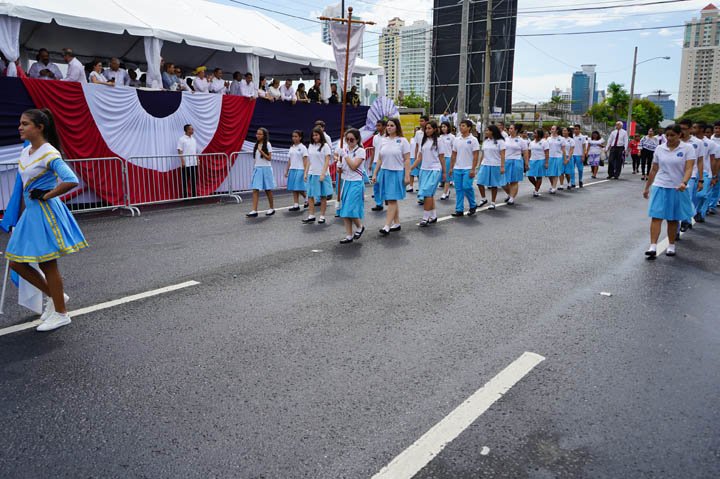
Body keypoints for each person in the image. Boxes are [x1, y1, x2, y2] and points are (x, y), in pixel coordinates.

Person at [3, 108, 88, 331]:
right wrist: (20, 215)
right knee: (16, 263)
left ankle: (61, 313)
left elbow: (70, 179)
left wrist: (48, 194)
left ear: (40, 127)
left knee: (47, 263)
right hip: (30, 214)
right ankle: (56, 297)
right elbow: (23, 187)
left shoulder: (49, 153)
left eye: (25, 124)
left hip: (45, 213)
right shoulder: (26, 152)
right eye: (20, 123)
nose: (20, 127)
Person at [642, 124, 695, 259]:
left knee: (672, 219)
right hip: (660, 185)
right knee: (656, 217)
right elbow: (654, 169)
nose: (669, 138)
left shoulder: (687, 148)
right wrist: (647, 187)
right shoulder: (660, 148)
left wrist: (684, 182)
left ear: (679, 135)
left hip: (677, 188)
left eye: (673, 135)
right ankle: (653, 246)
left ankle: (671, 245)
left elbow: (689, 168)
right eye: (667, 135)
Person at [373, 118, 411, 235]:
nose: (389, 127)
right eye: (388, 125)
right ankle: (396, 223)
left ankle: (387, 226)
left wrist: (407, 175)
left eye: (392, 125)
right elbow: (380, 159)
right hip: (385, 172)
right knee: (390, 199)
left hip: (397, 172)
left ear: (397, 127)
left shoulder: (403, 141)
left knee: (392, 199)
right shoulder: (383, 140)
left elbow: (407, 159)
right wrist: (375, 173)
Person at [410, 120, 446, 226]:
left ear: (435, 129)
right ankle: (433, 216)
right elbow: (419, 158)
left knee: (427, 193)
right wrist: (410, 168)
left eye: (429, 128)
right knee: (429, 194)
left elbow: (442, 158)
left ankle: (425, 218)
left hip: (435, 170)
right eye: (426, 128)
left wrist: (444, 172)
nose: (427, 130)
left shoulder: (439, 141)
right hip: (423, 170)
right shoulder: (424, 140)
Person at [336, 128, 367, 243]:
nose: (349, 141)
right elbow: (343, 169)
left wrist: (344, 155)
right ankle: (349, 235)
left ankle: (359, 226)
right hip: (345, 182)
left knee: (350, 208)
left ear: (357, 139)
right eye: (347, 139)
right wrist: (339, 167)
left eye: (352, 139)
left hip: (356, 182)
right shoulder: (345, 150)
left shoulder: (361, 151)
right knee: (344, 210)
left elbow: (354, 166)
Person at [302, 126, 333, 224]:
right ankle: (311, 215)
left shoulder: (325, 146)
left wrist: (323, 174)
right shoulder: (311, 146)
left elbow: (327, 161)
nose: (315, 137)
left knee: (323, 196)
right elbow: (309, 161)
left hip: (321, 174)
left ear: (321, 135)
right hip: (312, 173)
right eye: (313, 135)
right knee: (310, 195)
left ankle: (322, 216)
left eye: (317, 135)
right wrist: (306, 172)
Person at [449, 119, 480, 215]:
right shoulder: (456, 139)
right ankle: (459, 209)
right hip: (457, 168)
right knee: (459, 190)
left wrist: (473, 169)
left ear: (469, 127)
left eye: (463, 126)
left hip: (468, 168)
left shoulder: (473, 140)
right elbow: (453, 155)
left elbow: (476, 156)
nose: (461, 127)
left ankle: (473, 204)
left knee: (466, 187)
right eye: (460, 125)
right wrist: (451, 168)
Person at [678, 119, 704, 232]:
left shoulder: (698, 143)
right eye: (680, 129)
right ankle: (676, 230)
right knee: (676, 202)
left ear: (690, 129)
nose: (682, 131)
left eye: (684, 129)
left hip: (691, 175)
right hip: (676, 175)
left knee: (686, 198)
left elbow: (700, 161)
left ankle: (685, 220)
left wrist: (701, 179)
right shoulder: (675, 140)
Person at [246, 128, 276, 217]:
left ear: (264, 135)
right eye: (257, 134)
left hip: (266, 169)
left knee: (267, 189)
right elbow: (256, 158)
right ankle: (254, 210)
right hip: (257, 169)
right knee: (255, 189)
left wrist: (261, 151)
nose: (257, 135)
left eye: (260, 134)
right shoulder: (256, 145)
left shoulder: (268, 144)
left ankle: (271, 208)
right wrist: (254, 167)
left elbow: (269, 158)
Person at [477, 124, 506, 209]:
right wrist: (479, 164)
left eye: (487, 130)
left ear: (492, 131)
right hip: (485, 164)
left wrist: (502, 166)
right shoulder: (485, 142)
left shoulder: (500, 141)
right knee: (479, 182)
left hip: (495, 165)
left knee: (494, 185)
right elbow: (483, 154)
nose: (485, 132)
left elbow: (503, 155)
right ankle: (483, 198)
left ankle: (493, 202)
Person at [501, 123, 528, 204]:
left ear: (516, 130)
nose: (509, 130)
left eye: (511, 128)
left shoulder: (521, 141)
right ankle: (510, 194)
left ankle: (512, 198)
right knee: (503, 181)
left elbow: (525, 153)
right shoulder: (505, 139)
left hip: (517, 161)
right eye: (509, 128)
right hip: (506, 161)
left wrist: (526, 163)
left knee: (514, 181)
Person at [285, 130, 308, 211]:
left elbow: (305, 161)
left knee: (298, 187)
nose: (294, 138)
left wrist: (305, 172)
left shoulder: (303, 147)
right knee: (294, 188)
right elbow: (289, 160)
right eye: (293, 136)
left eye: (296, 136)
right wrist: (287, 170)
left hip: (300, 169)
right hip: (292, 169)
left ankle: (306, 198)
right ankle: (296, 204)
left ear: (300, 137)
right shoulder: (291, 147)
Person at [177, 124, 199, 198]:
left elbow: (195, 151)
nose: (192, 130)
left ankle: (194, 195)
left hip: (194, 163)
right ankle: (185, 196)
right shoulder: (181, 139)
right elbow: (179, 150)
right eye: (191, 129)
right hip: (186, 163)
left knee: (194, 179)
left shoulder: (194, 139)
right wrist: (182, 161)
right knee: (185, 180)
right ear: (187, 130)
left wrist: (197, 159)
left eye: (192, 129)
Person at [409, 115, 429, 195]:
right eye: (420, 121)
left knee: (425, 174)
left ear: (427, 122)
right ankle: (421, 191)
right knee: (420, 173)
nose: (420, 123)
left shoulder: (429, 132)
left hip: (428, 157)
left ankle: (424, 190)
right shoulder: (418, 133)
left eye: (422, 121)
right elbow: (417, 146)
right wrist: (415, 156)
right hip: (419, 156)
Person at [527, 128, 549, 197]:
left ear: (539, 134)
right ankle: (537, 186)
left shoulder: (544, 142)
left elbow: (547, 153)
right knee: (529, 176)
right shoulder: (531, 142)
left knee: (539, 177)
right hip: (532, 161)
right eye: (534, 133)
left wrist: (546, 162)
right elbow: (529, 152)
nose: (533, 134)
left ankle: (536, 190)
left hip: (540, 160)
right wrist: (527, 161)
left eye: (535, 133)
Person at [371, 119, 387, 212]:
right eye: (376, 126)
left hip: (385, 163)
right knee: (376, 184)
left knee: (383, 183)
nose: (377, 127)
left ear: (384, 126)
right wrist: (371, 163)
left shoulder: (387, 137)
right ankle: (378, 203)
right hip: (375, 163)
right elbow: (373, 150)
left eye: (379, 125)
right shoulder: (375, 137)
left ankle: (386, 198)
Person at [704, 122, 720, 216]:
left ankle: (712, 205)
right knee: (708, 186)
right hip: (709, 165)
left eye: (719, 128)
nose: (717, 130)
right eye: (716, 128)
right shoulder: (710, 139)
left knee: (716, 186)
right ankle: (706, 206)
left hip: (718, 164)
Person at [439, 121, 455, 201]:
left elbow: (454, 149)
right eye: (442, 127)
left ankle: (445, 193)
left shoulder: (452, 137)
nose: (443, 128)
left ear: (448, 127)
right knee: (441, 176)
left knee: (447, 176)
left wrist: (453, 160)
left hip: (448, 157)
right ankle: (447, 190)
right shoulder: (439, 137)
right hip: (440, 158)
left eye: (444, 127)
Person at [546, 125, 565, 194]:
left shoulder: (561, 139)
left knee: (555, 173)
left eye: (553, 129)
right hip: (550, 157)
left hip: (558, 157)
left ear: (557, 130)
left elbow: (563, 150)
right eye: (551, 129)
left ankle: (554, 187)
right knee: (549, 174)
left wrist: (565, 159)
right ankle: (552, 185)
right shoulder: (548, 138)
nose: (551, 130)